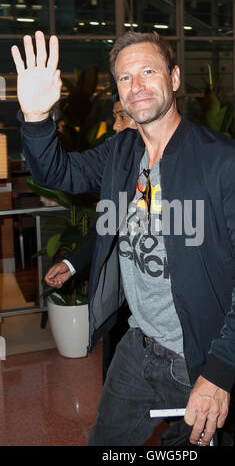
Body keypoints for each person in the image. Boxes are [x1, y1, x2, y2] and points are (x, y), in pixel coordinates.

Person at [12, 30, 235, 447]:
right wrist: (35, 117)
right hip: (137, 347)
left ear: (173, 78)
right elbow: (57, 173)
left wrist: (221, 370)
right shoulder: (121, 152)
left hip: (198, 358)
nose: (136, 86)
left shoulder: (224, 161)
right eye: (124, 77)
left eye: (148, 71)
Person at [45, 98, 136, 383]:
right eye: (115, 116)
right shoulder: (118, 156)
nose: (115, 125)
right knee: (116, 389)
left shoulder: (200, 157)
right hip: (124, 303)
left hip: (176, 317)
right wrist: (72, 263)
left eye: (122, 117)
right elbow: (108, 225)